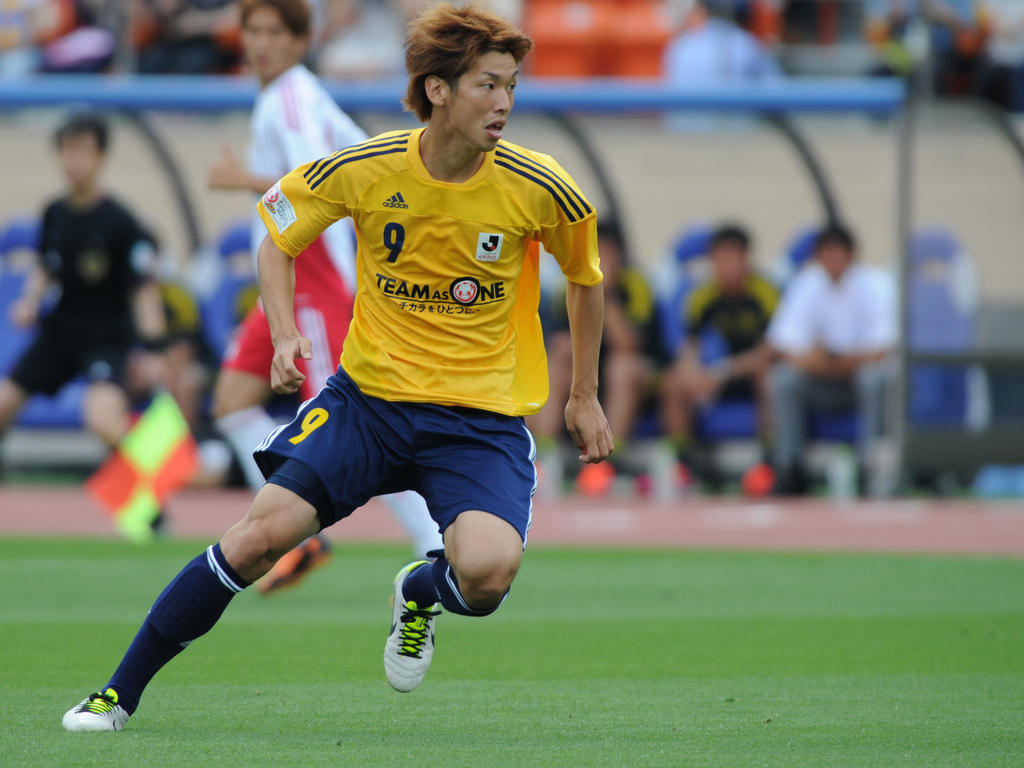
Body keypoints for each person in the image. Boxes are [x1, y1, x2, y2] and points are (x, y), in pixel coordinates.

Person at [62, 2, 612, 731]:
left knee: (486, 579)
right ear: (439, 90)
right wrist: (285, 332)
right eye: (487, 84)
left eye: (511, 85)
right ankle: (116, 693)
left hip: (478, 423)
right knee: (255, 540)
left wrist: (584, 395)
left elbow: (586, 278)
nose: (505, 102)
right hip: (368, 407)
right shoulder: (367, 168)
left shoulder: (540, 185)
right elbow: (276, 237)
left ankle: (421, 588)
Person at [206, 0, 441, 594]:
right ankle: (305, 535)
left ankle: (432, 540)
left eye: (272, 32)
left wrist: (242, 180)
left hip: (319, 272)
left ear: (300, 40)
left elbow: (319, 174)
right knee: (233, 400)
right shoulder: (280, 96)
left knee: (353, 424)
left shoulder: (292, 97)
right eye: (251, 30)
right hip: (286, 277)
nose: (259, 43)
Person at [0, 113, 167, 462]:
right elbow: (48, 265)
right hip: (60, 332)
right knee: (3, 404)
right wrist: (30, 301)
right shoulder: (53, 213)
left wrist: (154, 350)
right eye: (66, 152)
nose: (73, 162)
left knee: (103, 420)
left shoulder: (121, 222)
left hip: (106, 338)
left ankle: (152, 505)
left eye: (82, 152)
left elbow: (143, 289)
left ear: (102, 158)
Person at [766, 222, 897, 496]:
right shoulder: (806, 283)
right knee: (783, 380)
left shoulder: (877, 284)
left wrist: (833, 361)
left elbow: (883, 349)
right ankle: (790, 467)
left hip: (858, 381)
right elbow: (783, 345)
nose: (832, 260)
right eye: (826, 253)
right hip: (821, 381)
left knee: (872, 379)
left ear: (852, 255)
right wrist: (823, 362)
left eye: (838, 253)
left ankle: (868, 467)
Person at [529, 221, 659, 495]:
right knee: (560, 354)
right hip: (584, 372)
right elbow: (554, 340)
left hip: (637, 374)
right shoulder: (567, 284)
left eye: (605, 251)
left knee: (620, 367)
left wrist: (604, 293)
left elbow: (627, 344)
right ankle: (544, 452)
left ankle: (608, 459)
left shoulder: (636, 287)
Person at [661, 223, 778, 485]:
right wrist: (693, 374)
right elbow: (688, 348)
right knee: (675, 381)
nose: (726, 265)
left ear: (746, 258)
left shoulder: (765, 293)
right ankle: (686, 462)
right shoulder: (702, 296)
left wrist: (722, 371)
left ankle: (770, 461)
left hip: (750, 373)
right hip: (721, 376)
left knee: (770, 378)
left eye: (733, 257)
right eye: (720, 258)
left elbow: (770, 351)